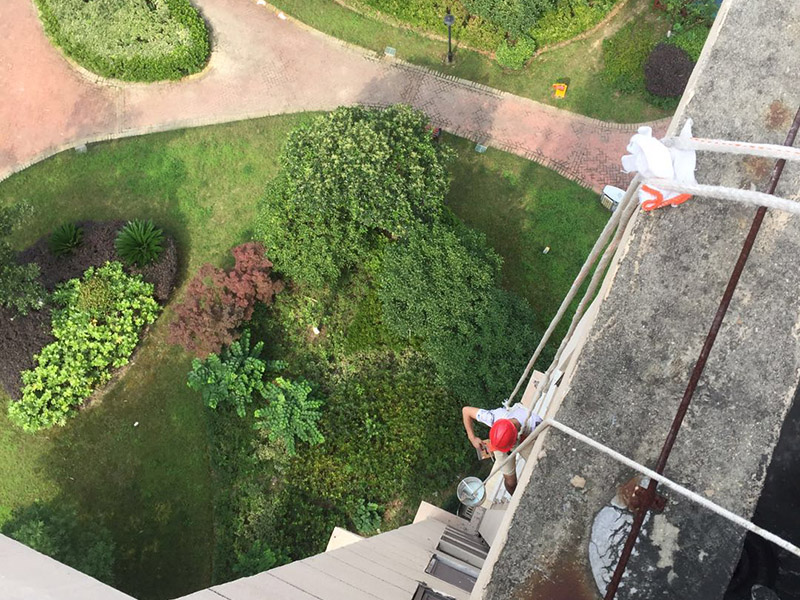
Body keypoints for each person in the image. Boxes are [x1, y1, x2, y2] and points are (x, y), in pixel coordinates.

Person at [461, 402, 543, 495]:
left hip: (526, 437)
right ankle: (517, 499)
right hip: (500, 442)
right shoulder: (492, 417)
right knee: (510, 483)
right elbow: (466, 411)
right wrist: (472, 438)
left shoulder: (534, 423)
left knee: (539, 465)